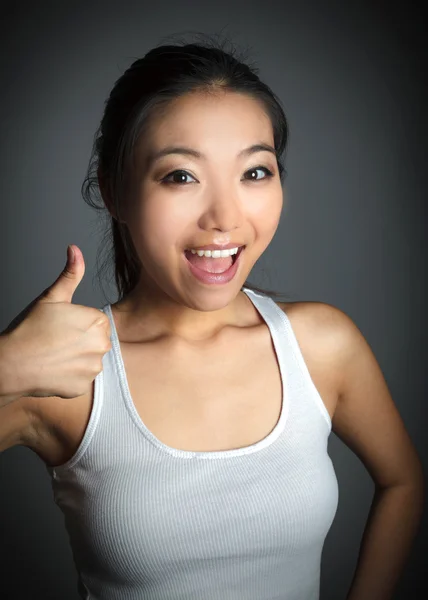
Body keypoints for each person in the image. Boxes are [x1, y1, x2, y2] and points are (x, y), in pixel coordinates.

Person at [0, 33, 424, 600]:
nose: (225, 218)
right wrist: (6, 366)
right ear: (114, 190)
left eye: (255, 172)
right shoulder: (67, 375)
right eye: (181, 176)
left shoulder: (322, 346)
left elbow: (403, 480)